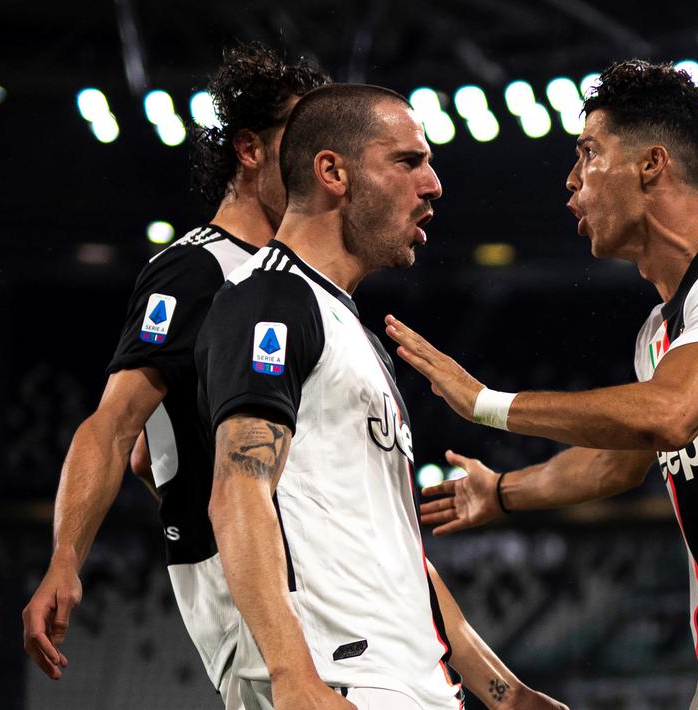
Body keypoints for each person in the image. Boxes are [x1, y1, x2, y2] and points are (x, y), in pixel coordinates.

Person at [384, 60, 698, 710]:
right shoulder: (660, 329)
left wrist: (488, 404)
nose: (570, 181)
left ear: (651, 165)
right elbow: (615, 464)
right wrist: (504, 493)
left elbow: (667, 414)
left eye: (587, 154)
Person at [195, 83, 567, 710]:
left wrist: (507, 696)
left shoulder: (354, 332)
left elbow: (400, 551)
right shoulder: (271, 300)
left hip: (408, 682)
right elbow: (238, 488)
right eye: (408, 161)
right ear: (333, 171)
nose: (434, 184)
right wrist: (293, 678)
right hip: (344, 680)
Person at [21, 43, 328, 708]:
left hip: (296, 565)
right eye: (298, 142)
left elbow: (141, 457)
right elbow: (114, 425)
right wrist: (65, 557)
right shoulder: (195, 271)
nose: (316, 161)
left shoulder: (286, 274)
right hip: (247, 574)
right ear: (249, 150)